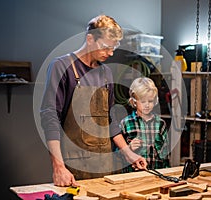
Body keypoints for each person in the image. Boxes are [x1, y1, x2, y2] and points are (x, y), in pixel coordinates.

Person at [40, 15, 147, 187]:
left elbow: (109, 121)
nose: (110, 53)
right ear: (90, 39)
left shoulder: (106, 73)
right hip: (74, 167)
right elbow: (50, 117)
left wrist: (128, 154)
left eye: (113, 48)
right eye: (105, 47)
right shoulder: (62, 67)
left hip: (105, 166)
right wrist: (58, 166)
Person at [118, 77, 170, 172]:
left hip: (156, 175)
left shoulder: (161, 124)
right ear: (134, 101)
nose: (147, 105)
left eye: (150, 101)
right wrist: (129, 148)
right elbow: (116, 156)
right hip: (131, 176)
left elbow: (165, 155)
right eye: (142, 101)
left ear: (155, 101)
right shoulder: (125, 123)